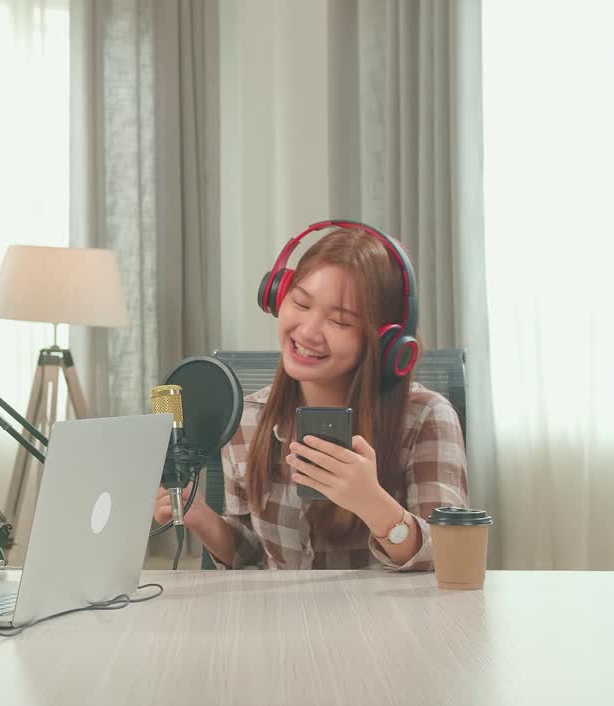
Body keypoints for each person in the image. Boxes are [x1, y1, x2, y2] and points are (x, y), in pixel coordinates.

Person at [154, 222, 468, 570]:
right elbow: (252, 555)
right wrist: (202, 517)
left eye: (340, 322)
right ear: (277, 296)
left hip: (382, 622)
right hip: (280, 620)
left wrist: (373, 504)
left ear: (385, 341)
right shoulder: (249, 418)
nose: (307, 331)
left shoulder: (426, 418)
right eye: (300, 303)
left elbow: (449, 557)